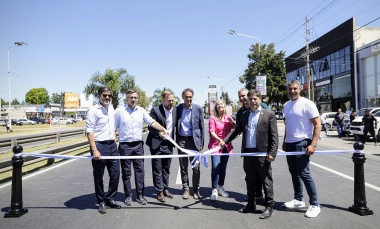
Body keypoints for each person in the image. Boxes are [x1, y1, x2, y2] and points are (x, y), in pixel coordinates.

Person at [222, 89, 278, 219]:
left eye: (255, 99)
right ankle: (251, 204)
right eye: (250, 99)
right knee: (250, 179)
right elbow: (237, 130)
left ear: (260, 99)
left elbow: (274, 136)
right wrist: (225, 141)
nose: (253, 101)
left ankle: (269, 206)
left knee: (266, 181)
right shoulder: (246, 115)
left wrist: (272, 152)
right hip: (248, 153)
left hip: (262, 153)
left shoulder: (269, 114)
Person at [115, 89, 168, 206]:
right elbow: (113, 128)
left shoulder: (141, 111)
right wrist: (116, 143)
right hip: (125, 145)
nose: (133, 100)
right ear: (127, 98)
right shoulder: (119, 111)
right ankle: (128, 195)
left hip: (138, 145)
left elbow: (151, 122)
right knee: (126, 172)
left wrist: (163, 129)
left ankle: (140, 195)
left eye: (135, 98)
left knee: (140, 171)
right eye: (131, 97)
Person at [282, 80, 322, 218]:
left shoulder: (307, 103)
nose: (292, 91)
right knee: (294, 173)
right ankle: (298, 199)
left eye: (295, 89)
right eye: (290, 89)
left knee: (304, 174)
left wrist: (313, 144)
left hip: (302, 142)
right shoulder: (286, 105)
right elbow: (288, 124)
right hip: (290, 143)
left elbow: (317, 124)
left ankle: (315, 204)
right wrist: (284, 141)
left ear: (300, 89)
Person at [86, 86, 121, 214]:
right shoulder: (93, 110)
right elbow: (89, 132)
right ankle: (101, 201)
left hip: (112, 146)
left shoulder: (111, 109)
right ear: (99, 96)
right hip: (99, 145)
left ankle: (110, 199)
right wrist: (94, 150)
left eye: (109, 95)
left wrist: (115, 142)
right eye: (105, 95)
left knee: (116, 174)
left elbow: (113, 128)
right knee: (99, 176)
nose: (107, 97)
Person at [146, 90, 177, 202]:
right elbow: (150, 126)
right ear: (162, 100)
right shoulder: (155, 110)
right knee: (157, 168)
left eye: (173, 100)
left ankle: (165, 189)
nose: (171, 102)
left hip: (168, 144)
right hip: (156, 143)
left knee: (166, 168)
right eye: (169, 100)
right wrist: (158, 133)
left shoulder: (175, 110)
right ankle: (159, 191)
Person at [236, 88, 265, 201]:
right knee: (250, 173)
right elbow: (238, 129)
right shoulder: (241, 112)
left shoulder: (263, 107)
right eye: (240, 97)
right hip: (248, 147)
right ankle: (252, 196)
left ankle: (261, 196)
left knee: (262, 174)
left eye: (244, 96)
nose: (242, 98)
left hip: (261, 147)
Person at [176, 88, 204, 200]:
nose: (189, 99)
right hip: (181, 141)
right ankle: (186, 189)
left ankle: (196, 190)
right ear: (183, 97)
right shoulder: (178, 108)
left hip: (194, 142)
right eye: (186, 97)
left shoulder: (198, 108)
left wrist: (201, 142)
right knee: (183, 167)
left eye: (190, 96)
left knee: (196, 167)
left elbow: (202, 126)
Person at [208, 100, 235, 201]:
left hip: (226, 147)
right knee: (215, 167)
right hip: (215, 146)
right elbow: (212, 132)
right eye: (218, 104)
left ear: (224, 106)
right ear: (216, 107)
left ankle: (220, 188)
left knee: (223, 168)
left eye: (222, 104)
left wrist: (233, 122)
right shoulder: (212, 118)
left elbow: (235, 128)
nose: (220, 106)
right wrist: (220, 140)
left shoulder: (229, 117)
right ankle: (214, 189)